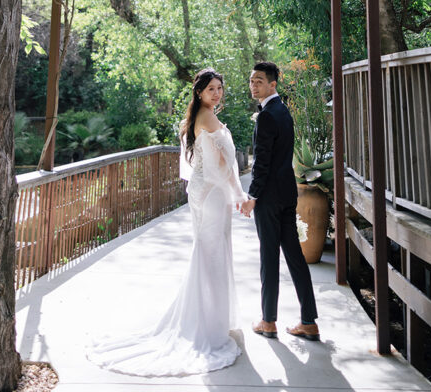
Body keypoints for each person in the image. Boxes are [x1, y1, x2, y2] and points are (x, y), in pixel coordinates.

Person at [88, 68, 245, 376]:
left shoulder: (194, 117)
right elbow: (224, 164)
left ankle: (208, 317)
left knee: (208, 252)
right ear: (199, 92)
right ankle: (208, 325)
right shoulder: (208, 118)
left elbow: (202, 161)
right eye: (211, 88)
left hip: (201, 190)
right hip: (212, 193)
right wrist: (239, 193)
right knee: (212, 254)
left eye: (219, 88)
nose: (217, 93)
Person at [240, 61, 320, 341]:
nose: (253, 85)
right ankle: (308, 321)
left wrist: (252, 196)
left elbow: (262, 162)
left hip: (270, 198)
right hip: (287, 193)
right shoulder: (282, 111)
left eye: (259, 81)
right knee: (295, 257)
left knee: (269, 257)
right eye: (251, 81)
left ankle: (268, 321)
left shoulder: (267, 116)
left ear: (273, 84)